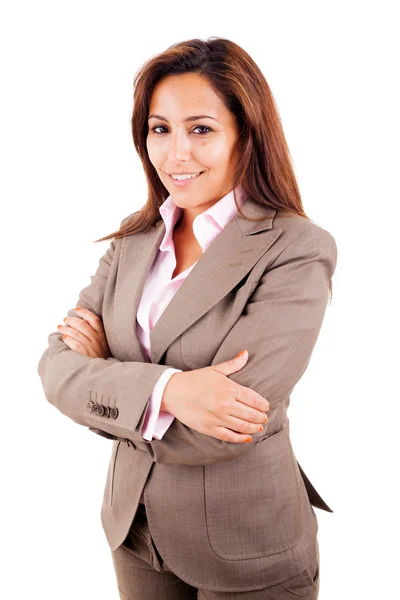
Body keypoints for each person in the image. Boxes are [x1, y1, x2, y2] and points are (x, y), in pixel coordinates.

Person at [37, 36, 337, 599]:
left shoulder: (296, 248)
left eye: (200, 129)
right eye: (160, 129)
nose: (177, 153)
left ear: (245, 135)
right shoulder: (133, 240)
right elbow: (56, 369)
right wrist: (172, 393)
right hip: (136, 533)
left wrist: (108, 378)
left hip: (246, 545)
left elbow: (234, 419)